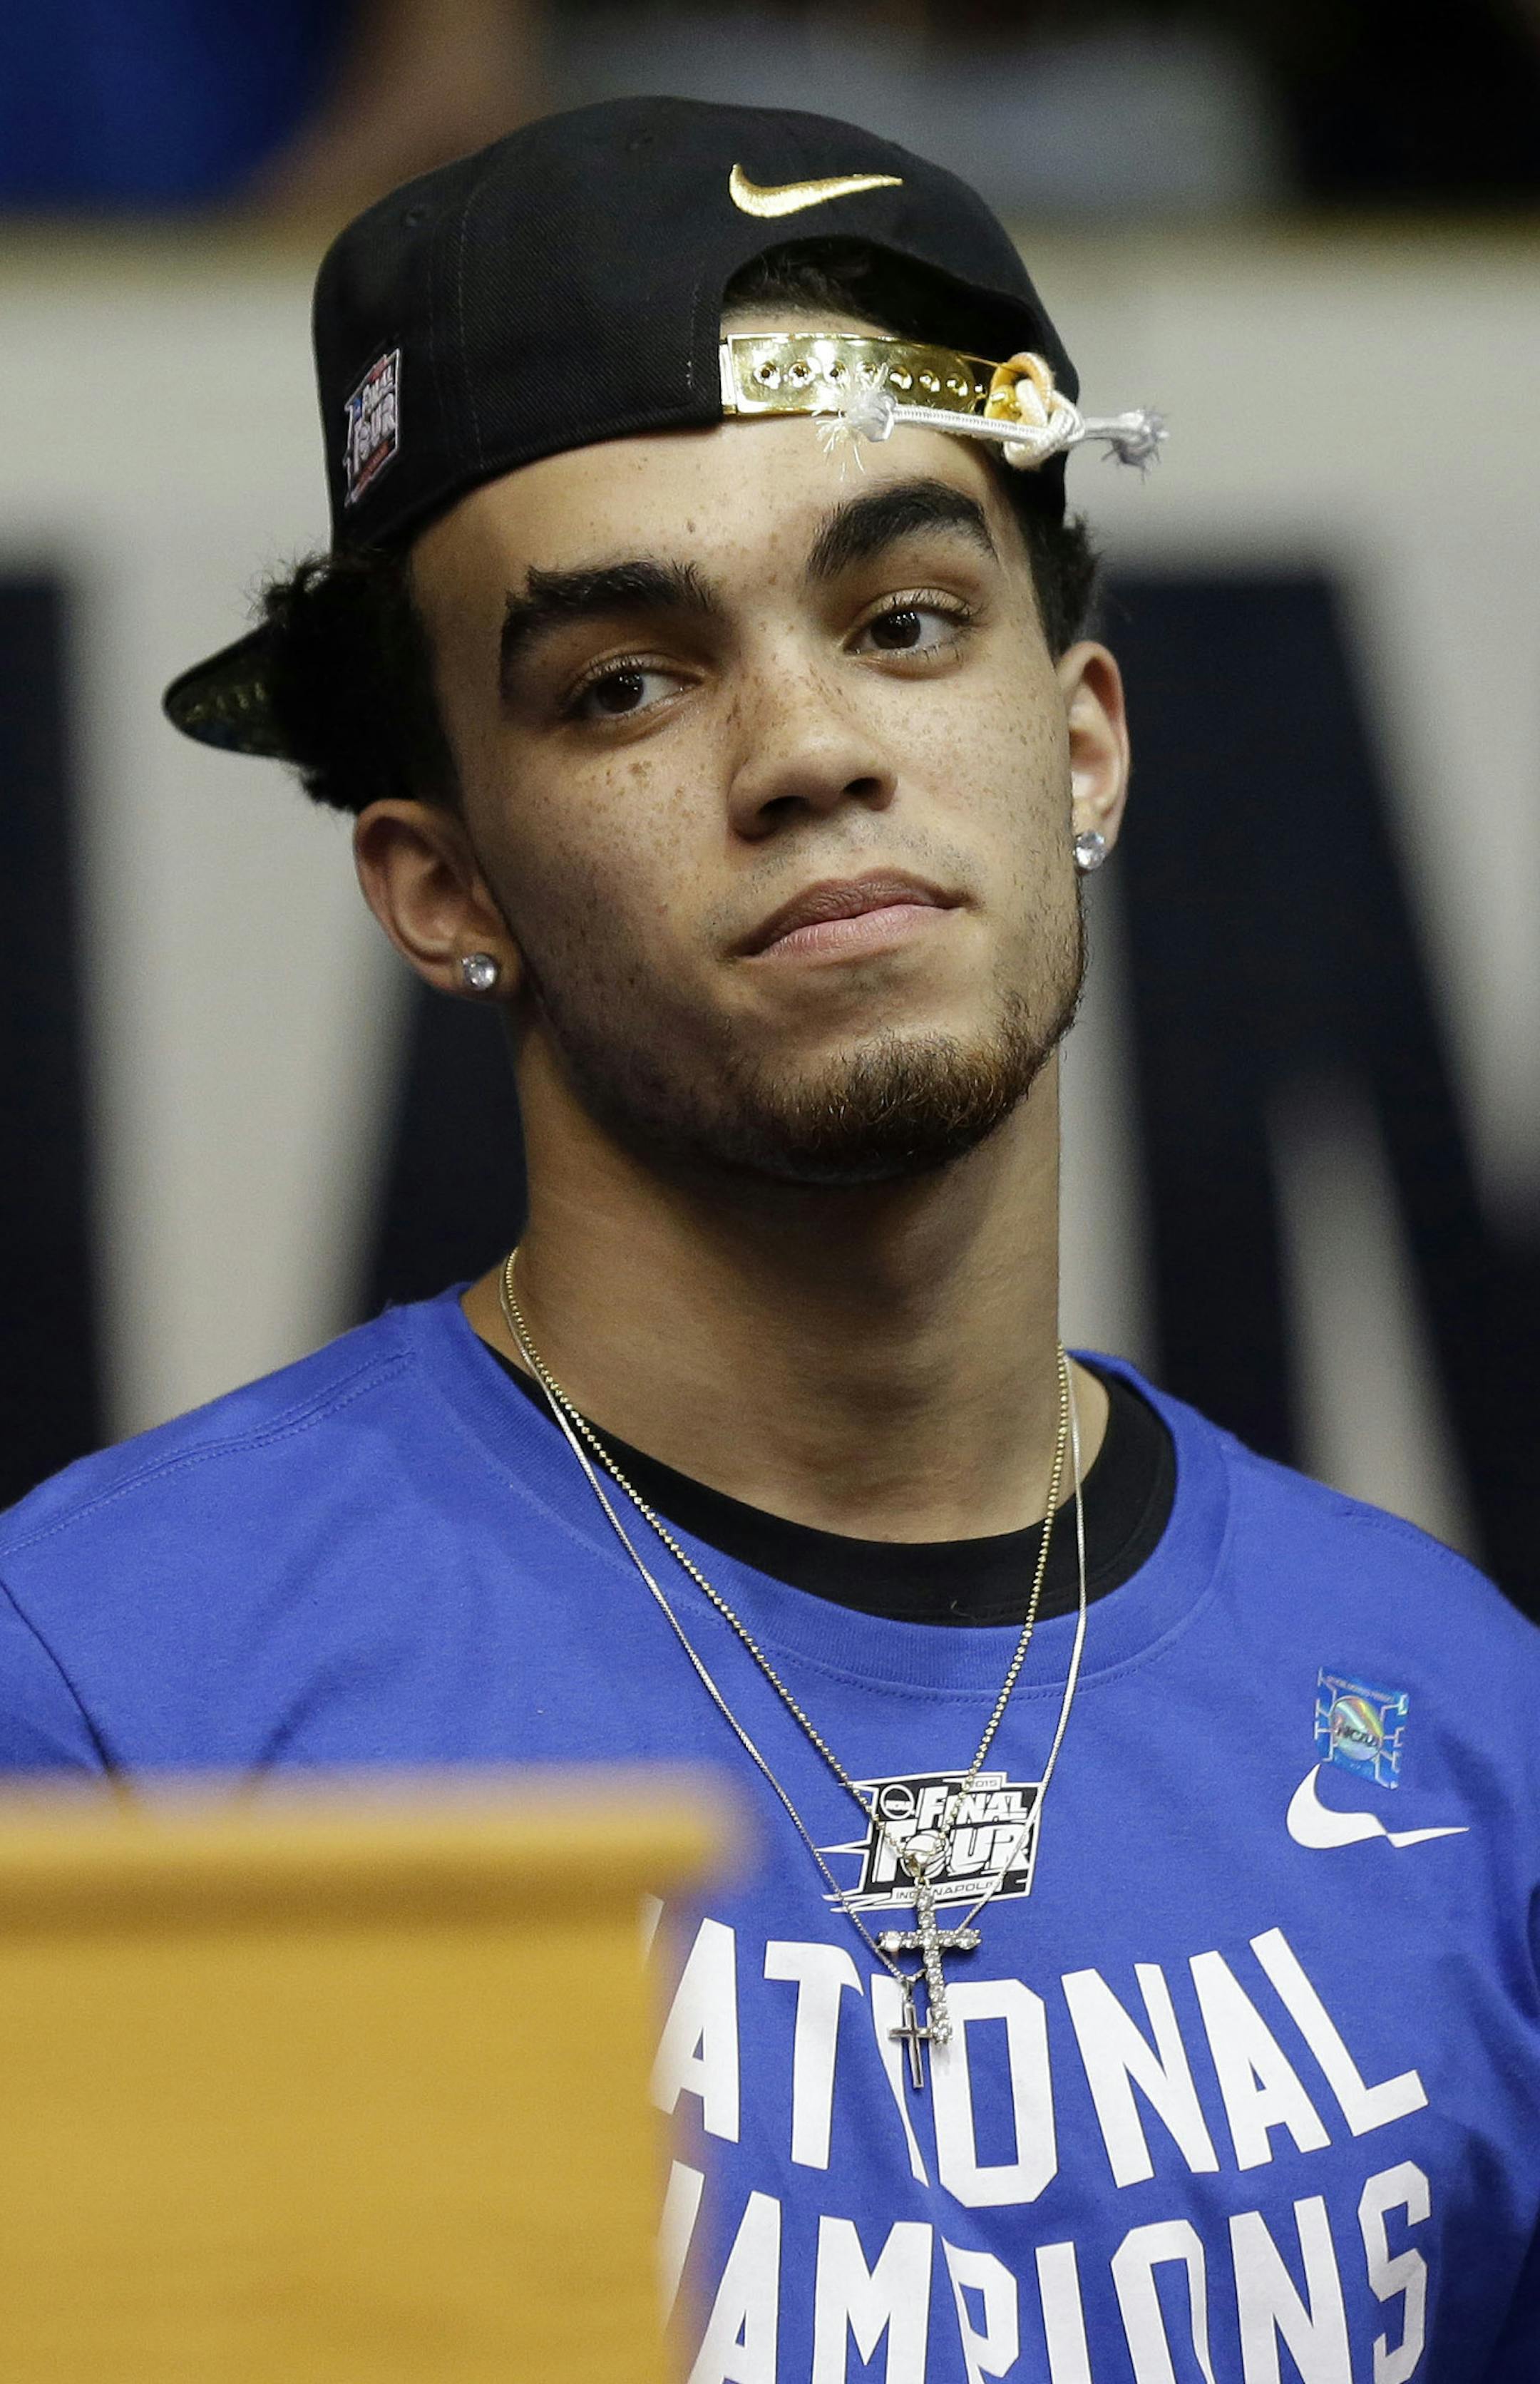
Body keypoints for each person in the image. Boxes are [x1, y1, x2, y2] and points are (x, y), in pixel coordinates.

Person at [4, 96, 1536, 2380]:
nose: (809, 746)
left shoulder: (1466, 1729)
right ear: (444, 891)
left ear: (1085, 742)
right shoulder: (113, 1693)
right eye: (626, 680)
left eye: (907, 618)